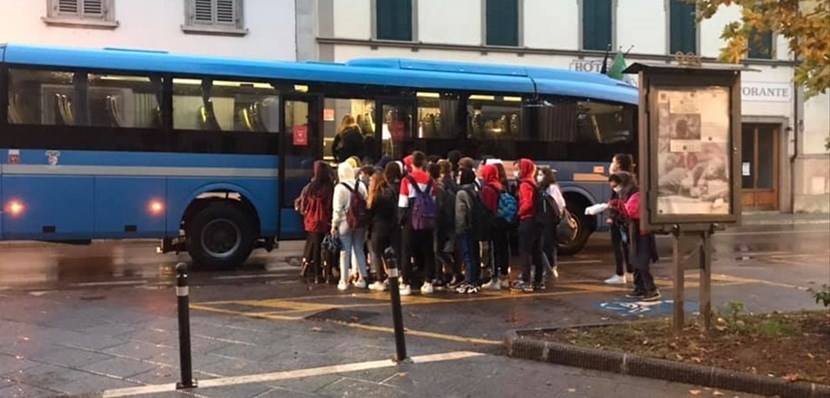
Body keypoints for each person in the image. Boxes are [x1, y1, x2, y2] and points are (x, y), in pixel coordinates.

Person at [609, 171, 660, 301]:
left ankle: (652, 289)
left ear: (623, 183)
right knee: (634, 260)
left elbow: (632, 211)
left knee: (641, 261)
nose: (615, 188)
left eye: (616, 185)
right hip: (633, 232)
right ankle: (639, 288)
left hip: (642, 232)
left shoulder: (636, 193)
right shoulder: (625, 194)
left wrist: (618, 205)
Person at [398, 151, 438, 295]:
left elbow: (402, 202)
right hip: (427, 218)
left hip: (411, 218)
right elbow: (433, 200)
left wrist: (401, 221)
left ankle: (406, 283)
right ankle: (428, 282)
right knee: (428, 250)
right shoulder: (430, 180)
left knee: (407, 250)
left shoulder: (406, 180)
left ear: (411, 164)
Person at [331, 161, 369, 291]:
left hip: (344, 222)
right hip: (360, 222)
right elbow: (366, 202)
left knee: (344, 252)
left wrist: (334, 225)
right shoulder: (361, 185)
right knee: (359, 249)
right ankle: (363, 278)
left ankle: (344, 280)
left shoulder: (339, 187)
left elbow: (337, 209)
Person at [296, 161, 334, 284]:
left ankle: (313, 272)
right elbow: (330, 206)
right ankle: (324, 272)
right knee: (325, 246)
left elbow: (302, 204)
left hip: (311, 221)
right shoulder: (330, 187)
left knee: (313, 245)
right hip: (324, 220)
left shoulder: (310, 187)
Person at [605, 153, 635, 285]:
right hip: (627, 216)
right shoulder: (630, 177)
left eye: (613, 161)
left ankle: (619, 274)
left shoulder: (618, 177)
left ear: (619, 164)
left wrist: (611, 216)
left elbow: (615, 199)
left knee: (617, 245)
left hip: (618, 217)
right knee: (626, 245)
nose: (611, 164)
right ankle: (629, 272)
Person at [514, 158, 544, 293]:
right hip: (537, 221)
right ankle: (538, 280)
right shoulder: (534, 183)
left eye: (518, 168)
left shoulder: (525, 185)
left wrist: (518, 213)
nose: (516, 171)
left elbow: (528, 203)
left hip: (527, 220)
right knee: (536, 251)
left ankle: (526, 281)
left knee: (525, 251)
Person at [480, 164, 510, 290]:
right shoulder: (499, 185)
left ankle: (495, 279)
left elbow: (488, 208)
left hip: (493, 223)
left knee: (494, 251)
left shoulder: (488, 188)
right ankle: (504, 277)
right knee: (503, 249)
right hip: (503, 222)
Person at [367, 168, 398, 291]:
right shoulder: (391, 192)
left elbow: (370, 214)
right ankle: (390, 277)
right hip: (389, 228)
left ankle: (380, 279)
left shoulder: (375, 196)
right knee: (387, 254)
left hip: (377, 228)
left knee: (376, 254)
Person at [455, 168, 482, 294]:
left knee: (467, 255)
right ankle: (475, 279)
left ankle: (469, 280)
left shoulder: (461, 193)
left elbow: (461, 213)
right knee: (474, 254)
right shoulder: (475, 190)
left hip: (465, 228)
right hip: (475, 226)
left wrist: (459, 229)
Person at [538, 167, 566, 283]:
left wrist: (556, 217)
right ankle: (548, 268)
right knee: (545, 244)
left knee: (548, 244)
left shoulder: (552, 188)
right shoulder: (542, 188)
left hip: (550, 220)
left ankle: (552, 267)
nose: (538, 177)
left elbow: (560, 204)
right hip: (545, 220)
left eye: (541, 174)